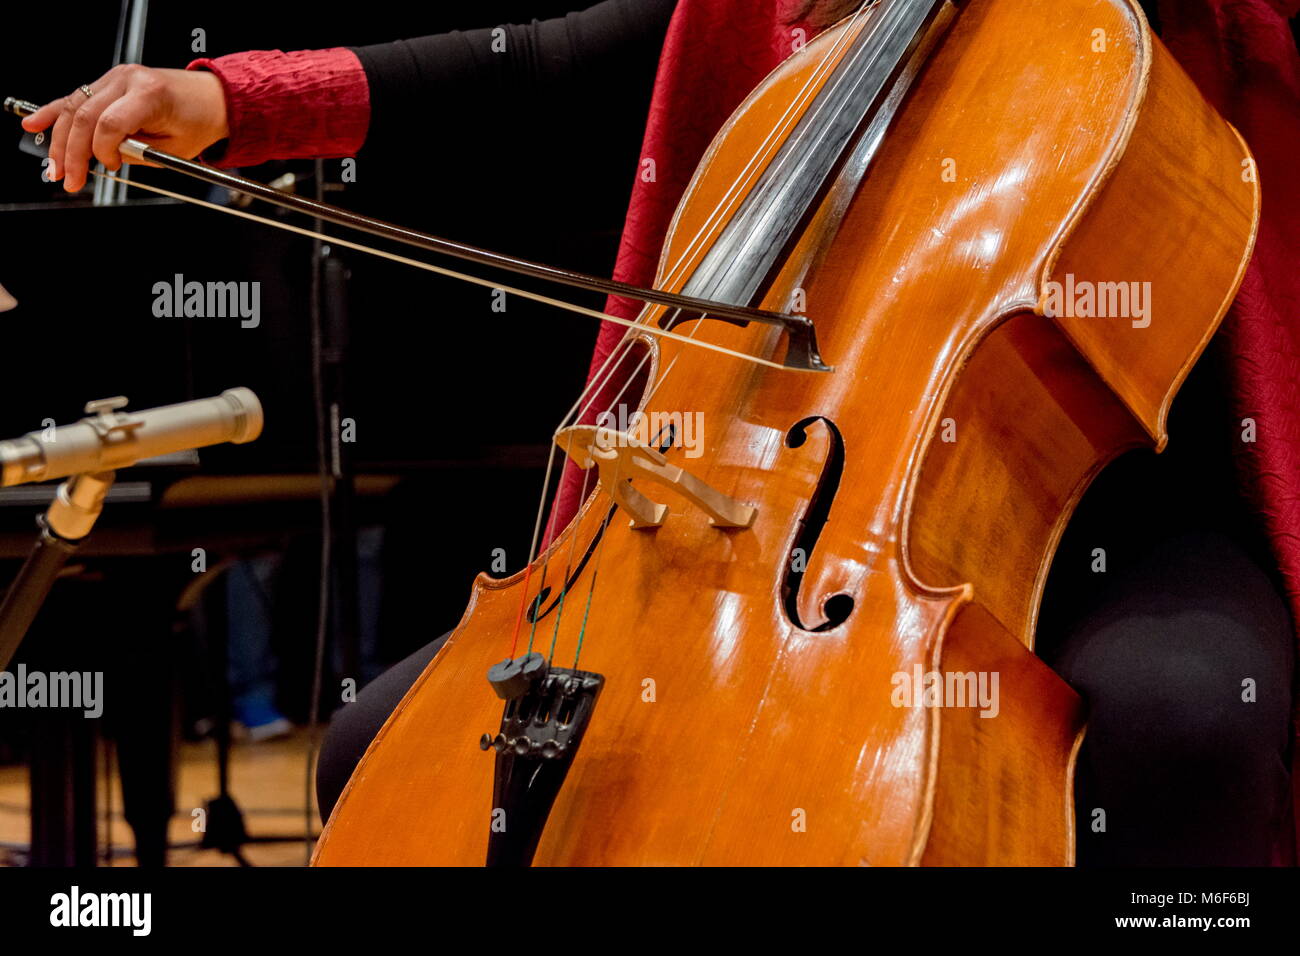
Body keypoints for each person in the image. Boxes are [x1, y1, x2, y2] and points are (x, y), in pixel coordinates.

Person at [24, 0, 1299, 865]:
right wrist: (236, 99)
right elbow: (564, 62)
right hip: (788, 495)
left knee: (1189, 723)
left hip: (1118, 482)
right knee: (380, 755)